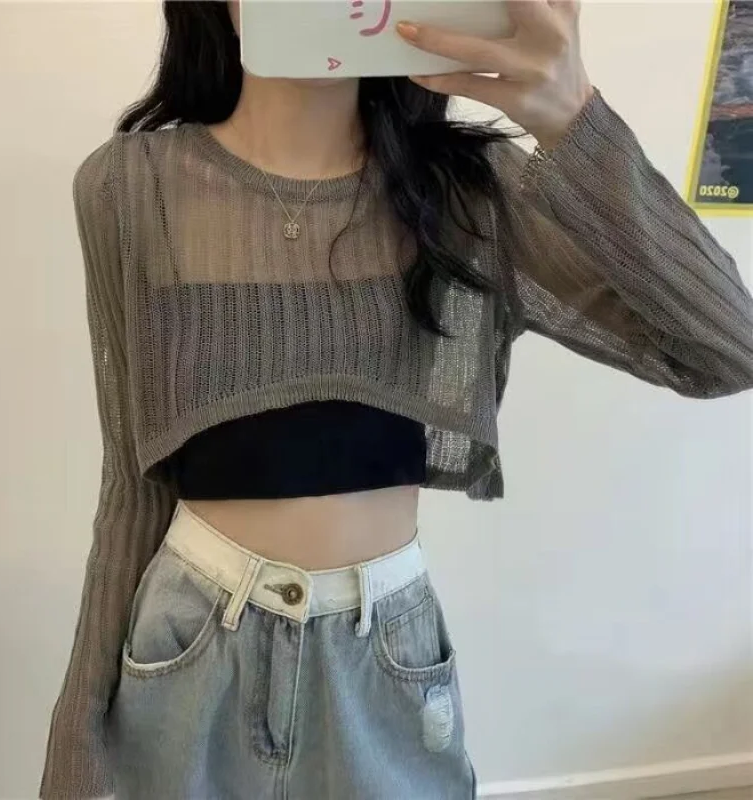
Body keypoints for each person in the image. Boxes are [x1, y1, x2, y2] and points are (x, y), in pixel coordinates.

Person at [40, 1, 753, 798]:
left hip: (383, 651)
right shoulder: (130, 187)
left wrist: (573, 122)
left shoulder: (468, 193)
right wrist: (75, 744)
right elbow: (131, 482)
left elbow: (726, 351)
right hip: (189, 642)